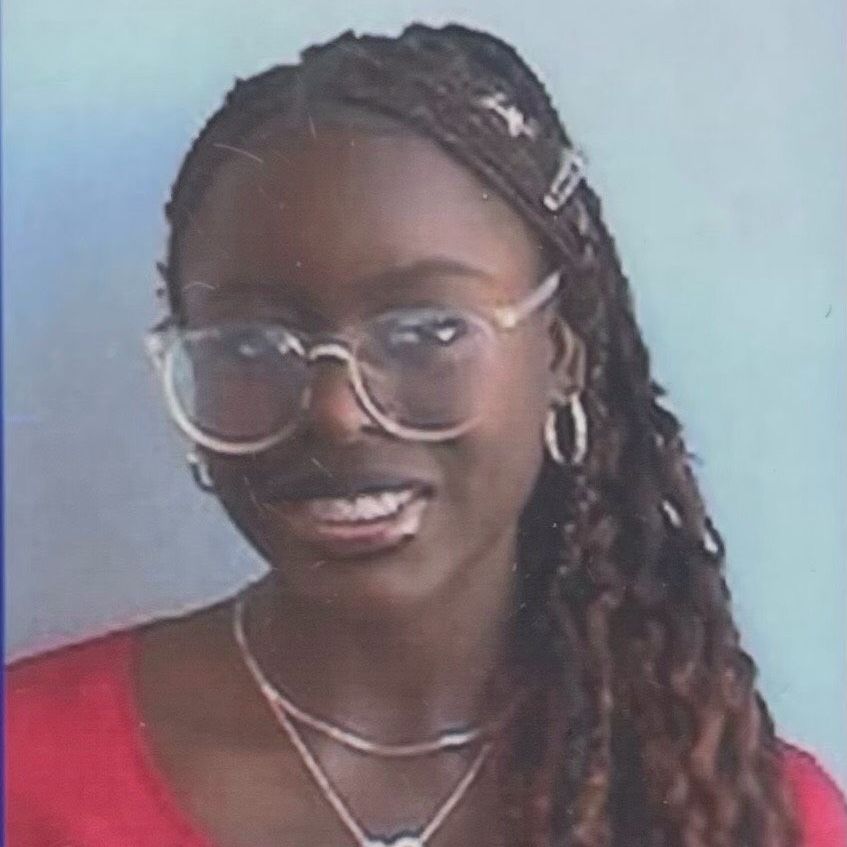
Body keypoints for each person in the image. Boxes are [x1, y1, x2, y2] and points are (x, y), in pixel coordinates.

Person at [6, 22, 845, 847]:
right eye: (252, 343)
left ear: (561, 355)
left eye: (426, 332)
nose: (336, 411)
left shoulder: (739, 815)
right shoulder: (27, 767)